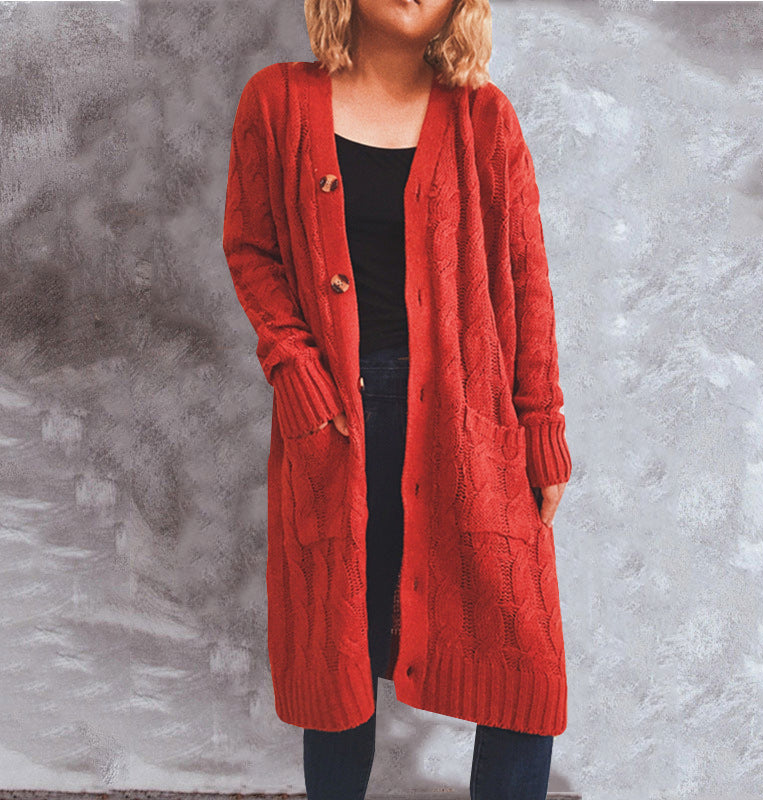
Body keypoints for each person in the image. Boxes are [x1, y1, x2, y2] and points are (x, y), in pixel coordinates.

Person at [223, 1, 573, 798]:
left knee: (523, 667)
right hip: (339, 424)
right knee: (340, 667)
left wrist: (542, 424)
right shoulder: (277, 101)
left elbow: (527, 276)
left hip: (470, 424)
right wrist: (295, 369)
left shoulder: (484, 117)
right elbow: (251, 249)